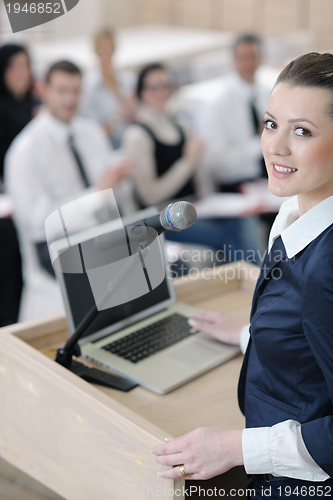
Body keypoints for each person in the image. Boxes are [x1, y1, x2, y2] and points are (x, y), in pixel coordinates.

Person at [151, 52, 333, 498]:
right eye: (271, 124)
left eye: (303, 131)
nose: (276, 146)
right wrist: (253, 337)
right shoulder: (294, 210)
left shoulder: (327, 267)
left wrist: (236, 447)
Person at [5, 60, 134, 321]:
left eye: (76, 91)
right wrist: (96, 194)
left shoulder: (91, 132)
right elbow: (41, 221)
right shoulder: (25, 150)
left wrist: (121, 182)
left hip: (102, 233)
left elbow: (110, 196)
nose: (70, 99)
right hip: (56, 246)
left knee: (161, 260)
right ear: (43, 89)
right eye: (62, 90)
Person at [123, 63, 264, 260]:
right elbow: (150, 196)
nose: (161, 92)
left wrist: (208, 188)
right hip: (164, 216)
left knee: (245, 219)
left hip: (196, 206)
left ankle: (253, 284)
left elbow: (199, 178)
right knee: (228, 234)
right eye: (153, 87)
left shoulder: (181, 124)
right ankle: (251, 285)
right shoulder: (137, 135)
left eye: (165, 85)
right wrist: (187, 163)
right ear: (141, 92)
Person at [0, 43, 40, 326]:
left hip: (30, 193)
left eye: (25, 65)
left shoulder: (31, 105)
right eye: (15, 66)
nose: (21, 73)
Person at [201, 34, 268, 192]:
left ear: (262, 58)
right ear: (233, 60)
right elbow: (217, 163)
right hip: (236, 187)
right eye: (242, 57)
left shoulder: (270, 94)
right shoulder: (216, 104)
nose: (248, 63)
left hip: (271, 181)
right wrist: (260, 142)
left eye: (253, 56)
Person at [80, 29, 135, 149]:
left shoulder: (127, 80)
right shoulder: (89, 86)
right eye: (101, 48)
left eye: (109, 48)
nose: (106, 53)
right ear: (95, 51)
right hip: (106, 147)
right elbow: (95, 132)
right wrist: (120, 115)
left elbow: (137, 119)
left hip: (130, 142)